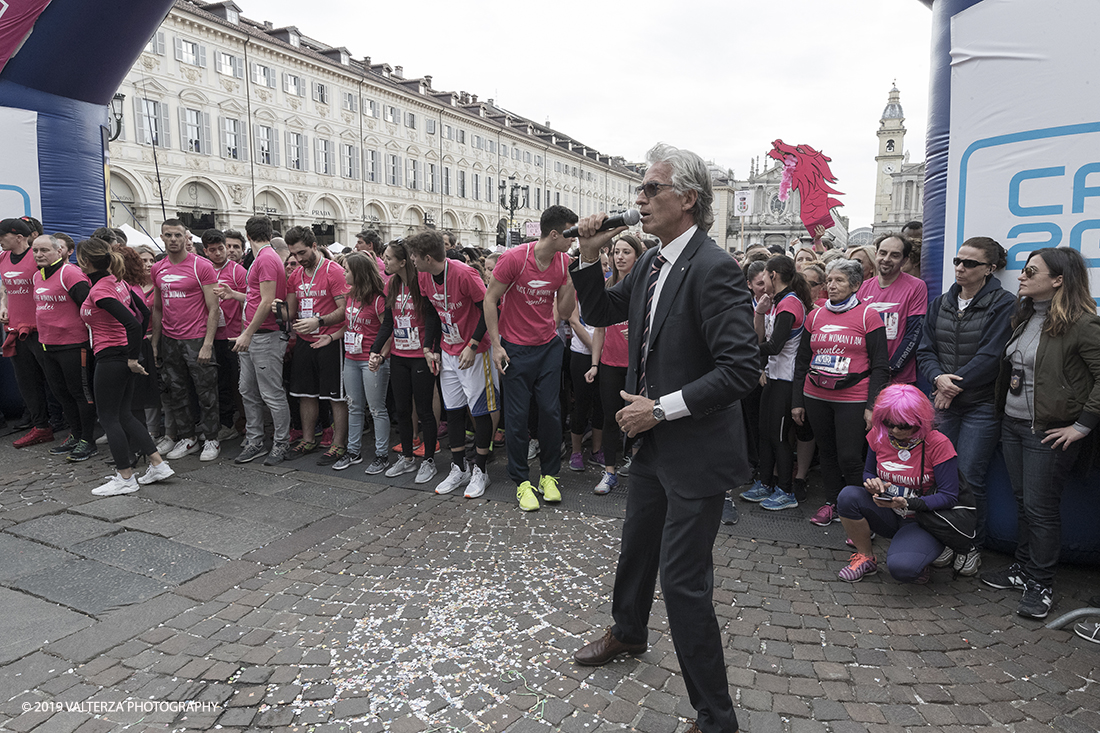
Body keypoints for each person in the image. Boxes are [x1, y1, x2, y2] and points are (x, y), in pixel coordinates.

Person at [571, 143, 758, 733]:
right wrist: (589, 251)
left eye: (652, 189)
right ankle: (627, 631)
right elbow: (601, 310)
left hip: (695, 449)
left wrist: (663, 409)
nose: (640, 197)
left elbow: (741, 370)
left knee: (682, 581)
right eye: (641, 188)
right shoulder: (651, 262)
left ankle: (716, 716)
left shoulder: (714, 267)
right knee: (635, 547)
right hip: (650, 442)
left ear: (688, 199)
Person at [981, 247, 1100, 620]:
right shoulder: (1025, 314)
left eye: (1031, 272)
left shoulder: (1082, 323)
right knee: (1023, 504)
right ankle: (1022, 569)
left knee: (1041, 509)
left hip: (1047, 432)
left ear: (1058, 280)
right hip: (1013, 425)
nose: (1021, 276)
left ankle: (1041, 584)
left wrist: (1082, 426)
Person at [916, 236, 1014, 556]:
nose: (960, 268)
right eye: (957, 261)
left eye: (969, 263)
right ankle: (944, 538)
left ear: (991, 268)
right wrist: (938, 378)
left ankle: (970, 546)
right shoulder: (941, 301)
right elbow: (925, 350)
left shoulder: (1004, 304)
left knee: (970, 477)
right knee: (939, 475)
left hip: (981, 405)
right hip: (944, 399)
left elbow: (992, 357)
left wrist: (950, 385)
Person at [484, 205, 577, 512]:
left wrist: (572, 278)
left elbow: (563, 312)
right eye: (570, 234)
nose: (573, 241)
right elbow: (490, 298)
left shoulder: (564, 262)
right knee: (517, 417)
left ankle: (549, 476)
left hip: (548, 344)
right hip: (515, 348)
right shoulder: (515, 259)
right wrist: (496, 346)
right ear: (554, 234)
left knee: (551, 412)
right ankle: (521, 481)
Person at [793, 258, 889, 526]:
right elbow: (802, 362)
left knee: (850, 456)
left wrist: (872, 406)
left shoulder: (868, 315)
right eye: (829, 281)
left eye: (839, 281)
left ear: (855, 285)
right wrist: (797, 401)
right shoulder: (815, 315)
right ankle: (832, 502)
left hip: (853, 398)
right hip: (816, 396)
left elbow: (881, 365)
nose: (831, 286)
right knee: (827, 453)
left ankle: (860, 510)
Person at [75, 237, 174, 495]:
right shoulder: (118, 282)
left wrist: (131, 357)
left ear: (84, 262)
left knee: (109, 418)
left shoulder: (99, 291)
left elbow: (133, 321)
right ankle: (158, 464)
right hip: (121, 355)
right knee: (124, 415)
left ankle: (125, 478)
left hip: (112, 357)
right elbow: (142, 314)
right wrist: (133, 350)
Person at [835, 384, 959, 584]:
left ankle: (923, 551)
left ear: (918, 422)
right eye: (888, 423)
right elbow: (868, 471)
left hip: (922, 520)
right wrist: (872, 483)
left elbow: (950, 496)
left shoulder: (938, 443)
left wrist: (908, 504)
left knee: (903, 570)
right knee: (848, 496)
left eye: (902, 426)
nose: (893, 430)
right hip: (889, 513)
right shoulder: (880, 434)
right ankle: (866, 557)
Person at [407, 230, 497, 499]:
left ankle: (481, 470)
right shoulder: (424, 276)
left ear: (426, 257)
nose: (411, 260)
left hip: (474, 352)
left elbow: (490, 308)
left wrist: (472, 345)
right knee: (454, 411)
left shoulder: (464, 273)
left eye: (413, 256)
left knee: (479, 412)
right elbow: (434, 312)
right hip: (447, 351)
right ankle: (459, 467)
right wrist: (430, 347)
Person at [740, 255, 812, 511]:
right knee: (765, 433)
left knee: (780, 437)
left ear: (773, 276)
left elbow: (774, 345)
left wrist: (743, 350)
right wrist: (759, 313)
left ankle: (786, 489)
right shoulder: (774, 302)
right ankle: (765, 482)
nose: (762, 281)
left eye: (765, 276)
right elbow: (762, 337)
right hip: (772, 375)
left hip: (787, 379)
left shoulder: (790, 304)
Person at [369, 239, 441, 484]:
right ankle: (408, 457)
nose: (384, 262)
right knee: (402, 409)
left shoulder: (420, 283)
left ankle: (429, 459)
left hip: (420, 356)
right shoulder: (391, 284)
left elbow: (433, 317)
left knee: (424, 411)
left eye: (388, 258)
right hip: (399, 355)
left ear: (403, 261)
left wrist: (429, 346)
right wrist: (376, 350)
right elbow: (388, 323)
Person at [151, 219, 221, 462]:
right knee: (176, 391)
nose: (173, 239)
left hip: (197, 337)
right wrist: (155, 343)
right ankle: (187, 437)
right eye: (168, 235)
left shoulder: (201, 266)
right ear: (162, 237)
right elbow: (157, 308)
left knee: (206, 391)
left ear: (186, 237)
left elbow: (214, 308)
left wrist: (208, 343)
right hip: (170, 339)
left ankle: (212, 438)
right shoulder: (157, 268)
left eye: (177, 235)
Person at [282, 226, 349, 465]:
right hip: (304, 341)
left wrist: (318, 321)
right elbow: (290, 312)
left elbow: (344, 311)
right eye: (293, 254)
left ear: (313, 246)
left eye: (302, 253)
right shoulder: (295, 275)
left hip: (330, 340)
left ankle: (339, 444)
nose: (298, 259)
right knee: (304, 393)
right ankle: (308, 439)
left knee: (335, 396)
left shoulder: (334, 271)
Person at [587, 233, 644, 494]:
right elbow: (598, 329)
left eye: (626, 252)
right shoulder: (607, 287)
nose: (620, 257)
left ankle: (637, 466)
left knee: (638, 418)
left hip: (638, 365)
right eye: (616, 252)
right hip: (610, 363)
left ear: (637, 256)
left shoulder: (645, 289)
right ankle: (609, 472)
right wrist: (595, 364)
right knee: (611, 418)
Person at [32, 234, 97, 461]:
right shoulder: (37, 276)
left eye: (44, 250)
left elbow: (89, 306)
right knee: (62, 394)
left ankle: (88, 440)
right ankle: (76, 434)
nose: (38, 255)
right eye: (35, 251)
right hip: (48, 345)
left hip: (73, 344)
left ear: (58, 251)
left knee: (80, 393)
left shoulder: (70, 273)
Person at [233, 215, 291, 466]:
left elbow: (267, 301)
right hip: (256, 334)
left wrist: (247, 332)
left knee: (271, 393)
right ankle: (256, 440)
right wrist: (234, 294)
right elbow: (258, 297)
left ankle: (281, 443)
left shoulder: (266, 259)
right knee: (248, 389)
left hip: (264, 336)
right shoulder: (264, 258)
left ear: (247, 236)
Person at [334, 253, 391, 474]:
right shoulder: (350, 296)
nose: (344, 273)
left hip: (371, 360)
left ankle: (381, 455)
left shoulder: (378, 299)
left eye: (347, 270)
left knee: (377, 408)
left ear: (358, 273)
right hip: (351, 358)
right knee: (354, 406)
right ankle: (354, 451)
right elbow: (350, 327)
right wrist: (330, 337)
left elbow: (389, 332)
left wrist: (381, 356)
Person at [1, 218, 54, 448]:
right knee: (26, 381)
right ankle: (40, 426)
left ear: (19, 237)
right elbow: (4, 287)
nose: (1, 240)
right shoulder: (2, 258)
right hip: (15, 329)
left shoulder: (36, 258)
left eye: (3, 235)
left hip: (39, 329)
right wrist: (3, 305)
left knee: (52, 379)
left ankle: (65, 423)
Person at [857, 233, 927, 385]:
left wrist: (890, 369)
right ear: (876, 255)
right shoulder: (863, 287)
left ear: (905, 260)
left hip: (898, 378)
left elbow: (914, 334)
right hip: (865, 375)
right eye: (883, 253)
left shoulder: (916, 287)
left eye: (895, 255)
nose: (887, 259)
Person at [203, 229, 248, 442]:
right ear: (206, 251)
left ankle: (243, 420)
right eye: (214, 250)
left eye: (222, 248)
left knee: (237, 382)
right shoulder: (203, 270)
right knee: (219, 382)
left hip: (233, 334)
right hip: (211, 335)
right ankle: (225, 422)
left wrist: (243, 331)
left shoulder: (238, 271)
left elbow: (250, 300)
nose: (220, 253)